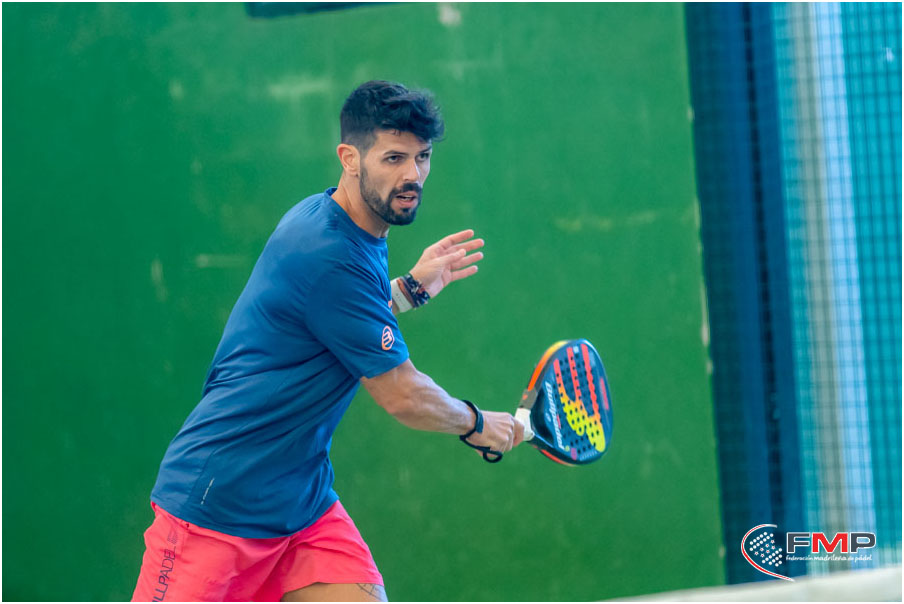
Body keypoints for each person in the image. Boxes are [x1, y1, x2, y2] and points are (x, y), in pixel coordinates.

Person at [132, 80, 524, 603]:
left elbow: (336, 320)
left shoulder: (338, 221)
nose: (412, 175)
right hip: (216, 508)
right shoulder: (327, 251)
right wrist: (477, 424)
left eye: (423, 156)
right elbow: (403, 395)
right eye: (394, 158)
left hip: (301, 508)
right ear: (350, 158)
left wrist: (408, 290)